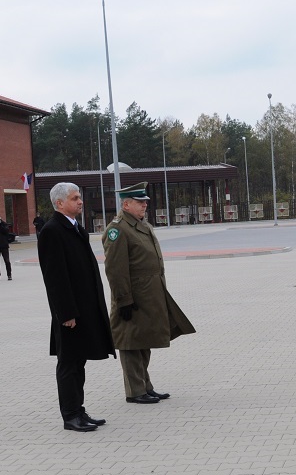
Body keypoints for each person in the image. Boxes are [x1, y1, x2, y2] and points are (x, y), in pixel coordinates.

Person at [102, 183, 196, 404]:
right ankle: (135, 391)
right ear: (126, 204)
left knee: (144, 340)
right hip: (131, 298)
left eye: (145, 201)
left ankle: (145, 386)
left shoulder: (141, 225)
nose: (145, 205)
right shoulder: (118, 229)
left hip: (148, 296)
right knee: (130, 343)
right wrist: (124, 300)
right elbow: (115, 269)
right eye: (139, 202)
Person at [37, 183, 114, 432]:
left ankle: (79, 411)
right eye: (74, 198)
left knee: (78, 362)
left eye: (79, 197)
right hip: (70, 314)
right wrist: (66, 313)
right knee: (69, 364)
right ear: (59, 203)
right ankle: (70, 416)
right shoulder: (52, 231)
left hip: (84, 310)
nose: (80, 201)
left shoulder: (75, 228)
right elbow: (55, 278)